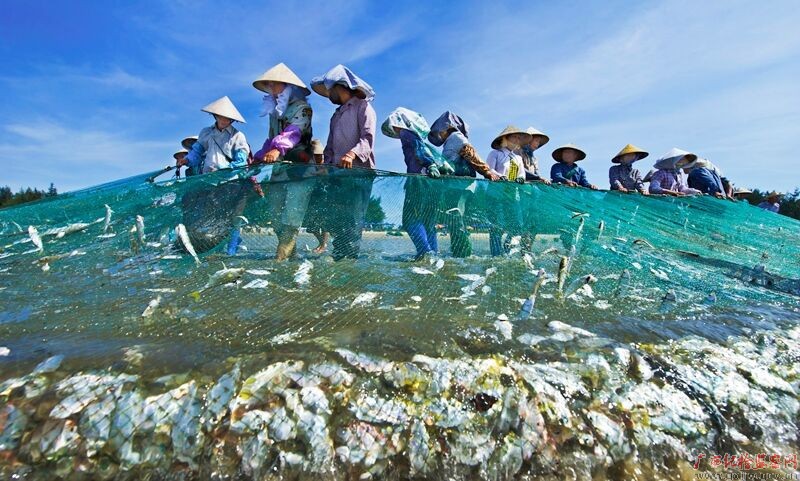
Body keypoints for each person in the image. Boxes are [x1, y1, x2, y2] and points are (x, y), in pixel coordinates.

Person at [310, 64, 377, 260]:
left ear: (341, 87)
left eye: (330, 90)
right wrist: (325, 166)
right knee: (338, 220)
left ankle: (349, 262)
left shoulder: (363, 107)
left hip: (359, 174)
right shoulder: (336, 115)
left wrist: (352, 154)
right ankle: (340, 259)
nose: (329, 94)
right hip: (337, 175)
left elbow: (367, 138)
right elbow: (330, 146)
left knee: (353, 221)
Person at [252, 63, 315, 261]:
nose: (271, 88)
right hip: (280, 170)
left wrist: (276, 149)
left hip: (301, 171)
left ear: (287, 86)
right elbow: (271, 138)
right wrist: (259, 156)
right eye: (269, 85)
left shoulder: (303, 109)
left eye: (274, 84)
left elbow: (293, 132)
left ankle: (278, 263)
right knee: (276, 216)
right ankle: (292, 260)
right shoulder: (274, 113)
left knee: (291, 219)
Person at [428, 111, 500, 257]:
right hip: (454, 186)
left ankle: (463, 254)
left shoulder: (455, 137)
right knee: (454, 219)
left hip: (460, 186)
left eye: (439, 132)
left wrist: (487, 172)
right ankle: (458, 251)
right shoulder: (450, 142)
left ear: (445, 128)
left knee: (456, 217)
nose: (438, 135)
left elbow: (471, 154)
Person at [382, 107, 444, 259]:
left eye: (394, 125)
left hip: (418, 181)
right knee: (428, 221)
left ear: (399, 122)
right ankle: (433, 253)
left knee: (410, 219)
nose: (394, 129)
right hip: (430, 183)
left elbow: (419, 149)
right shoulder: (415, 134)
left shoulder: (407, 133)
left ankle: (425, 252)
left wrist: (430, 164)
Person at [486, 126, 531, 256]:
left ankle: (507, 251)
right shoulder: (495, 153)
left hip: (512, 196)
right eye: (514, 137)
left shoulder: (518, 158)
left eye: (518, 137)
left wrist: (520, 179)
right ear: (505, 138)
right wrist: (500, 176)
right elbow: (488, 170)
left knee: (516, 226)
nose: (517, 140)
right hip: (496, 195)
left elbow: (522, 174)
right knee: (496, 226)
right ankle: (495, 254)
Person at [185, 96, 249, 174]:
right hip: (208, 177)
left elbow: (241, 161)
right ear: (215, 115)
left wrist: (227, 169)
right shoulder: (206, 132)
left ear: (232, 120)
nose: (223, 120)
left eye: (227, 118)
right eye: (221, 116)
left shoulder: (238, 136)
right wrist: (186, 160)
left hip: (230, 179)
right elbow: (197, 152)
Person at [302, 139, 330, 254]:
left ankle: (323, 245)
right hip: (311, 199)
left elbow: (326, 175)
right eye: (315, 155)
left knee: (324, 225)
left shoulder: (325, 166)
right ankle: (322, 243)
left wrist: (318, 172)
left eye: (320, 155)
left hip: (324, 199)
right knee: (311, 227)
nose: (318, 158)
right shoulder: (308, 166)